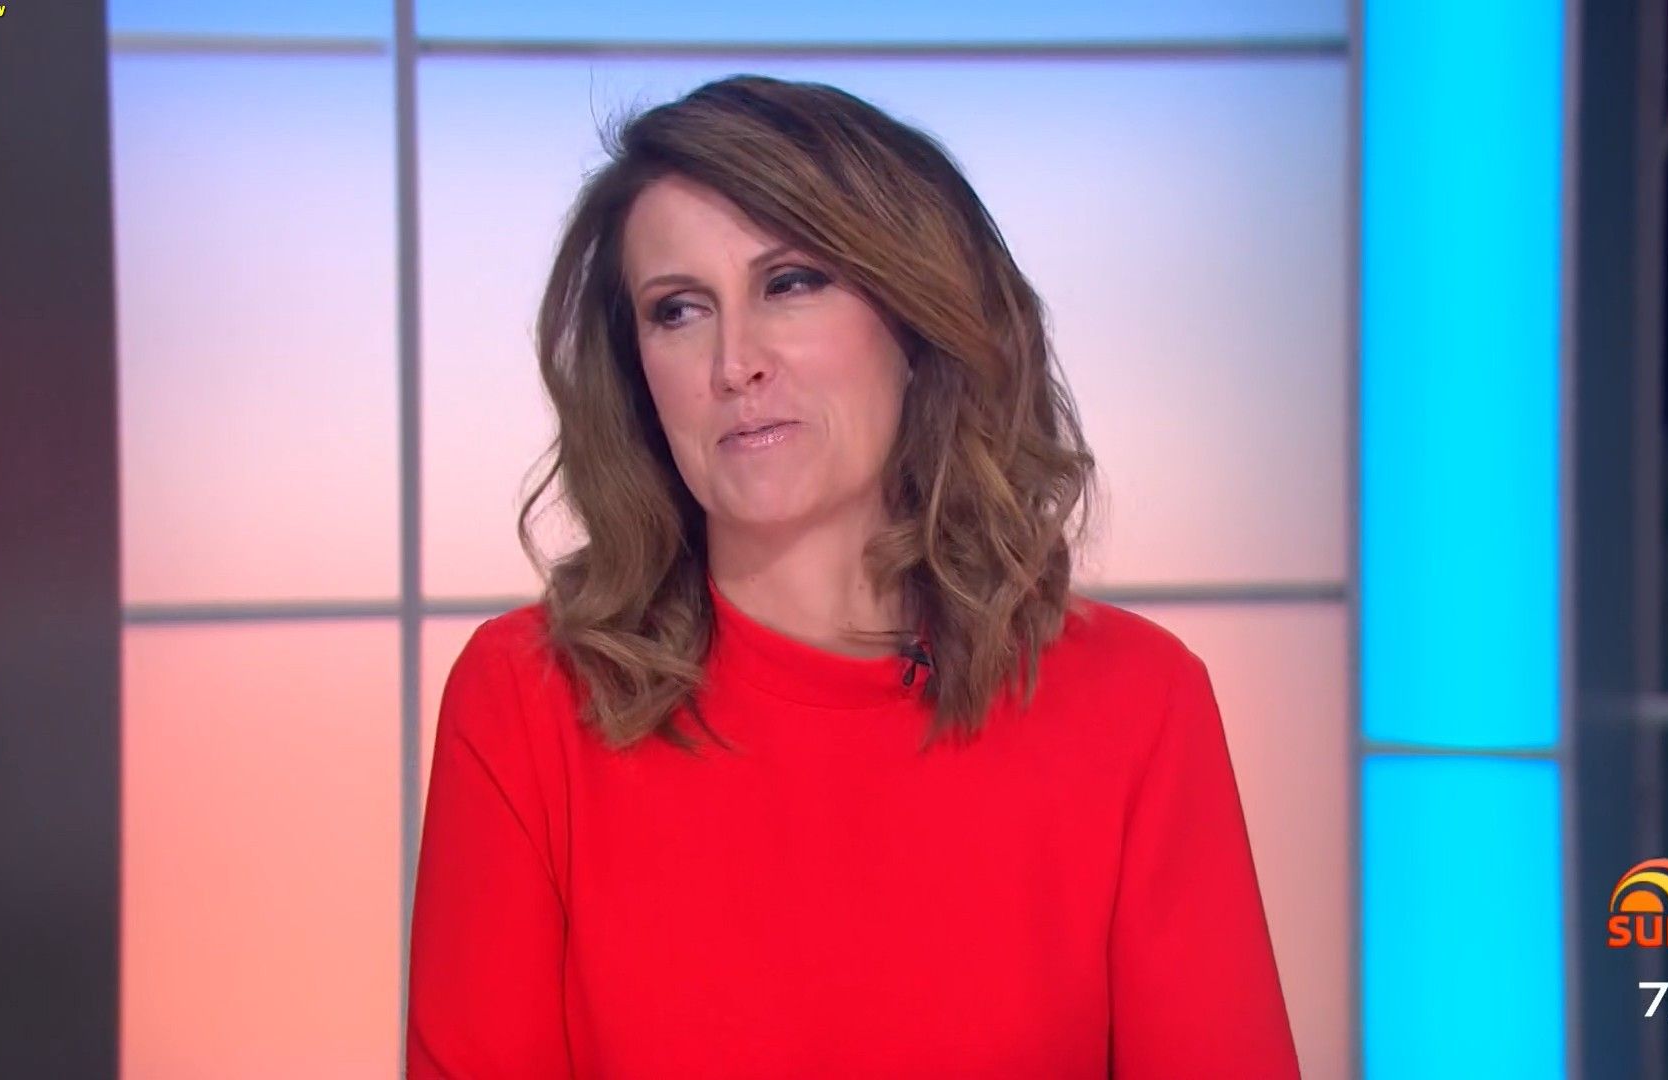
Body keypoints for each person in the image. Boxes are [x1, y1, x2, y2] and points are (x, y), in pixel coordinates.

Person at [405, 74, 1299, 1078]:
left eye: (790, 283)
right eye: (678, 309)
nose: (735, 363)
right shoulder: (528, 703)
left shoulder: (1137, 703)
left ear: (916, 322)